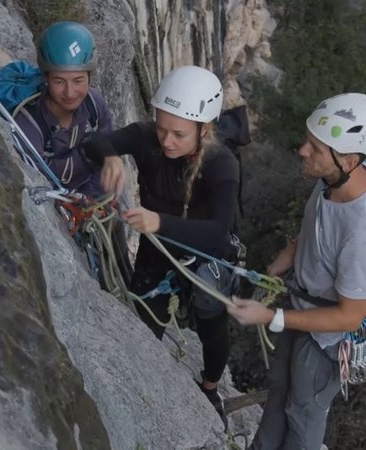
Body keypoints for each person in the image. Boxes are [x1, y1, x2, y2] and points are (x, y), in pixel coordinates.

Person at [226, 93, 366, 449]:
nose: (303, 151)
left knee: (303, 417)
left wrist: (273, 317)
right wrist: (279, 264)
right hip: (300, 305)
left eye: (315, 148)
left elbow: (348, 317)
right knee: (278, 397)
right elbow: (317, 227)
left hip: (324, 341)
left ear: (349, 159)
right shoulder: (339, 178)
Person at [83, 66, 239, 430]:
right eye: (162, 128)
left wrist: (159, 223)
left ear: (205, 130)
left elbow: (218, 234)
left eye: (179, 134)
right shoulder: (145, 138)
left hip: (206, 254)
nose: (167, 141)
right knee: (144, 322)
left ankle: (210, 387)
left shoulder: (221, 165)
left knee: (211, 325)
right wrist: (111, 156)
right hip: (158, 248)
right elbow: (96, 143)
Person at [15, 21, 112, 197]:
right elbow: (38, 184)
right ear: (45, 77)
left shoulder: (94, 104)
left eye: (78, 80)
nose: (69, 92)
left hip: (89, 196)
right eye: (59, 81)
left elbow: (106, 156)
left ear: (90, 77)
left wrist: (91, 200)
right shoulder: (29, 125)